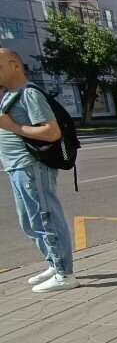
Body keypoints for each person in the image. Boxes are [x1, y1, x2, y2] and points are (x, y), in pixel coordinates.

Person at [0, 48, 79, 292]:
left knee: (47, 218)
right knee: (29, 221)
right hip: (16, 166)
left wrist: (12, 127)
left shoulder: (29, 94)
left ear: (15, 65)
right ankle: (55, 264)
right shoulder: (9, 94)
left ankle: (64, 273)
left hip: (31, 166)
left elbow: (52, 132)